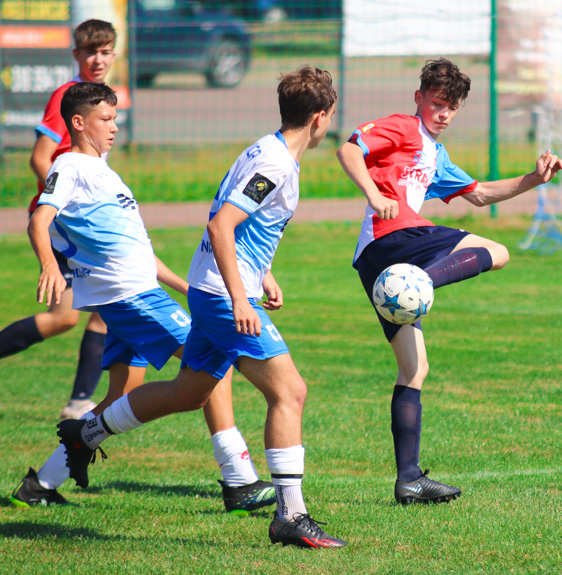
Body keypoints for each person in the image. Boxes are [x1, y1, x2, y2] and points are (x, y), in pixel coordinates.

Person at [52, 67, 346, 549]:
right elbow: (221, 226)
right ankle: (291, 515)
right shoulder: (273, 164)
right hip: (224, 300)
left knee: (189, 392)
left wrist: (260, 271)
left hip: (218, 291)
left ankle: (86, 434)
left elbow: (227, 219)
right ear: (321, 117)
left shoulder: (265, 150)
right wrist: (238, 297)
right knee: (290, 392)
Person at [12, 82, 275, 517]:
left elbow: (139, 254)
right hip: (129, 298)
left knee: (119, 398)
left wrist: (188, 289)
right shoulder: (71, 166)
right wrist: (49, 265)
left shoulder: (105, 173)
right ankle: (239, 480)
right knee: (212, 364)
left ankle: (41, 483)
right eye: (105, 119)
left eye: (116, 118)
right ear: (78, 123)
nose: (115, 127)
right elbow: (39, 221)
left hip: (137, 294)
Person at [336, 57, 562, 504]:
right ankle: (421, 280)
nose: (443, 113)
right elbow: (349, 149)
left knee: (414, 369)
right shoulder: (404, 127)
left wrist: (534, 180)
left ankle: (409, 480)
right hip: (397, 238)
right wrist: (372, 192)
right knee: (498, 252)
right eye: (438, 103)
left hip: (376, 263)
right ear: (419, 97)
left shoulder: (433, 153)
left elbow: (479, 194)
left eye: (452, 108)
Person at [0, 19, 116, 420]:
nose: (97, 59)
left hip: (76, 222)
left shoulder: (100, 98)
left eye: (105, 52)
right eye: (90, 52)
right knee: (80, 312)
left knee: (74, 315)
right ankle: (80, 402)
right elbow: (39, 156)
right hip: (61, 223)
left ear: (114, 54)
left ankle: (79, 401)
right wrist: (59, 203)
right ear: (76, 55)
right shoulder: (69, 95)